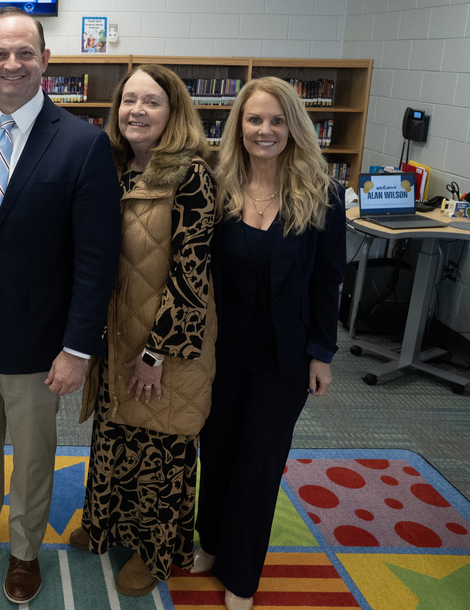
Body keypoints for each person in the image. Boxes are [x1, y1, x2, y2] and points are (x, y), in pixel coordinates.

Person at [0, 7, 121, 604]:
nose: (12, 64)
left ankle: (27, 549)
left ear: (45, 60)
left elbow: (96, 259)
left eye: (24, 52)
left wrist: (79, 347)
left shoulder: (83, 144)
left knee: (35, 453)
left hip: (42, 337)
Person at [194, 76, 346, 610]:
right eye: (255, 119)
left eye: (277, 120)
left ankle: (241, 573)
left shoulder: (322, 192)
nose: (265, 130)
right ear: (239, 125)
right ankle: (210, 542)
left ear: (293, 128)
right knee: (216, 453)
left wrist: (322, 354)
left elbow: (328, 280)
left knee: (259, 464)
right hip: (220, 352)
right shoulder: (218, 184)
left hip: (284, 357)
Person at [71, 65, 217, 596]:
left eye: (151, 102)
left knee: (161, 438)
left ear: (173, 111)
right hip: (113, 328)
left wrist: (158, 351)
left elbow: (192, 270)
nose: (137, 110)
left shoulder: (193, 175)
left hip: (166, 336)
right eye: (129, 100)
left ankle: (154, 551)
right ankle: (107, 524)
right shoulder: (106, 166)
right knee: (114, 430)